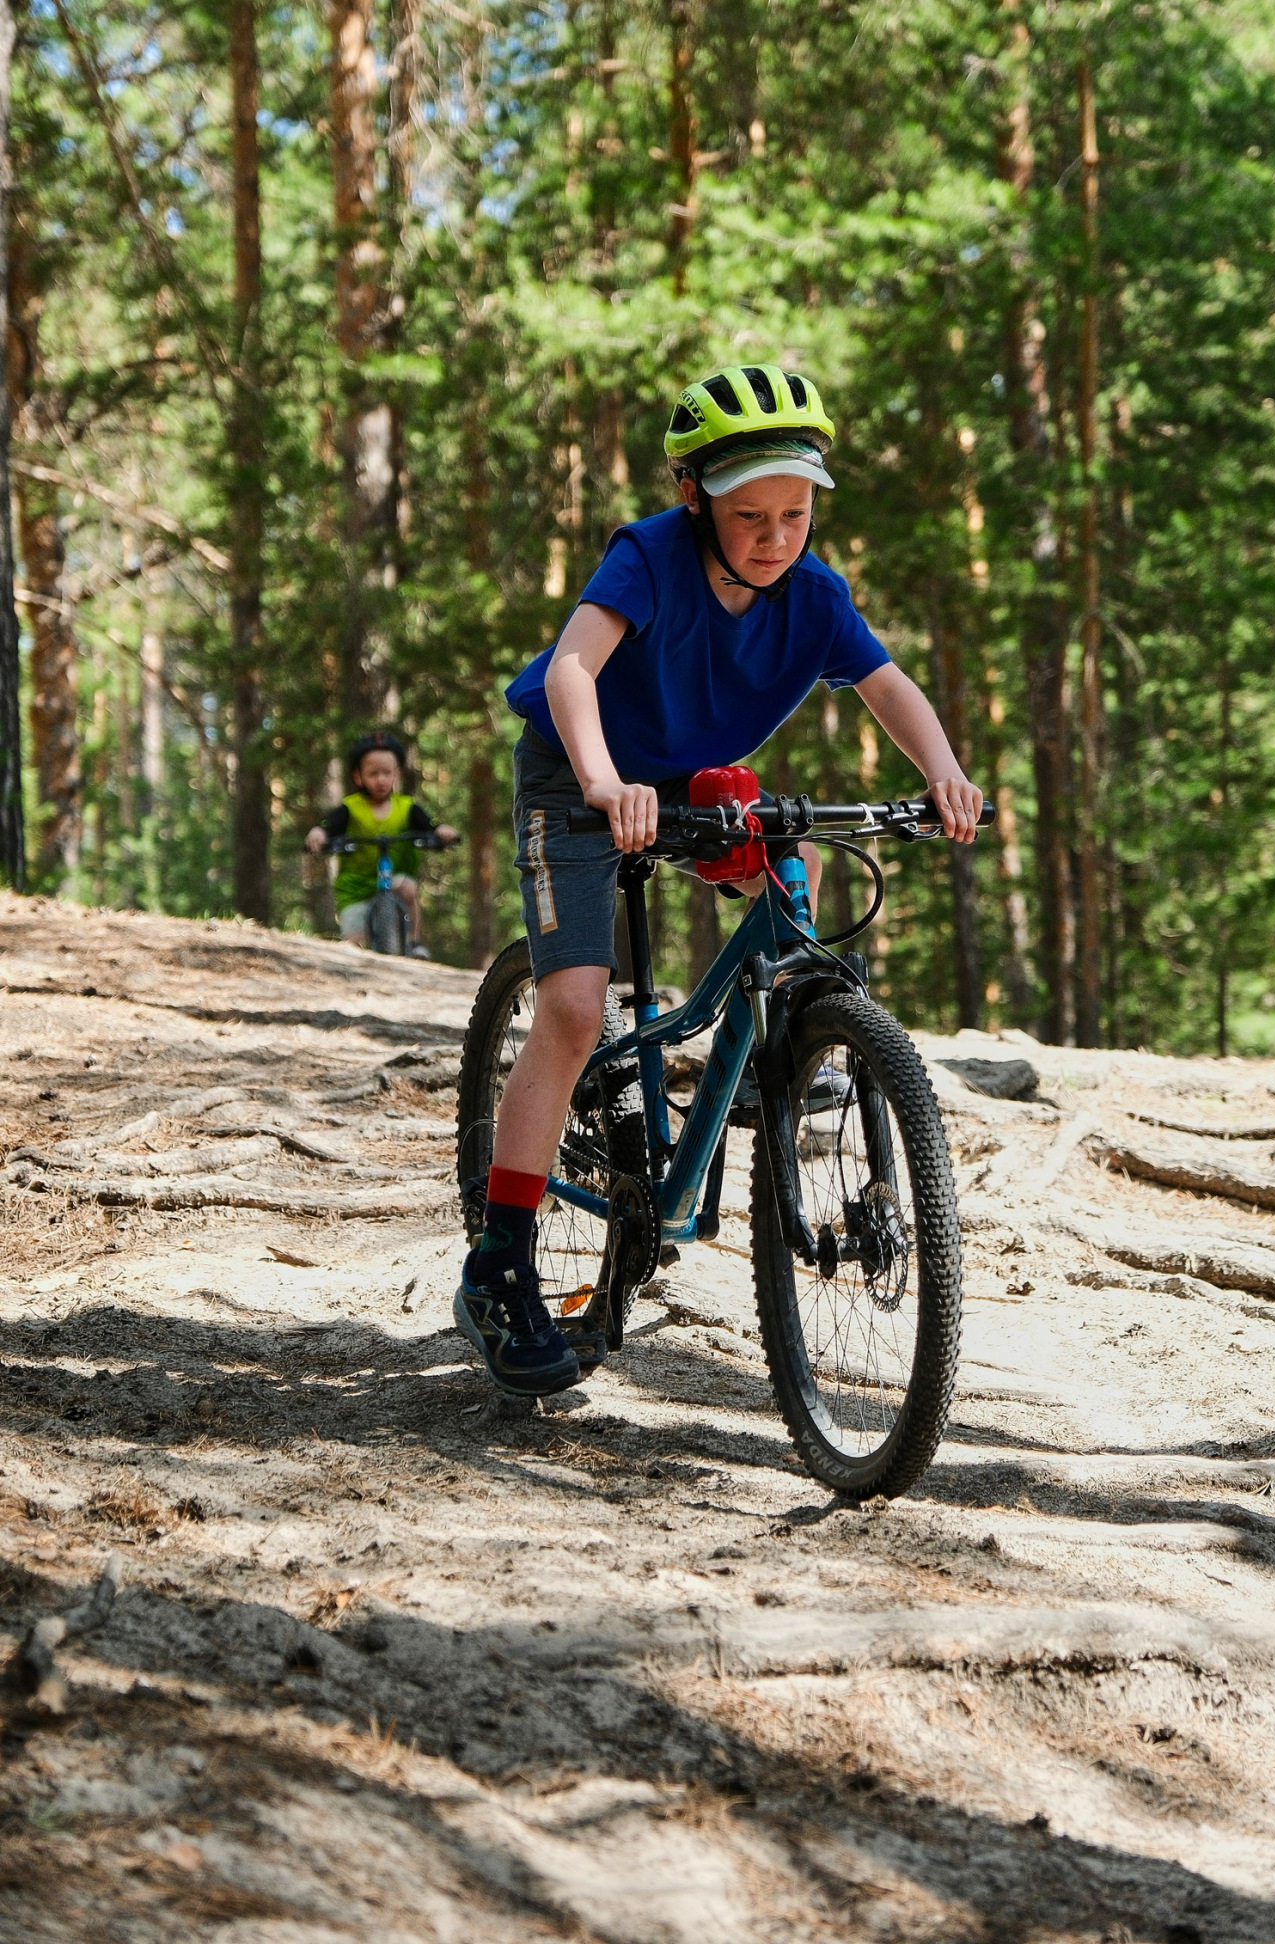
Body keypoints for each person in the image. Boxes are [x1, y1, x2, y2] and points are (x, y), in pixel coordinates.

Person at [455, 362, 985, 1398]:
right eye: (750, 516)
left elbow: (885, 684)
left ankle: (770, 1053)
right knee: (574, 1010)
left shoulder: (812, 594)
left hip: (688, 782)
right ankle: (500, 1265)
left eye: (795, 515)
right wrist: (602, 782)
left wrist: (943, 773)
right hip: (578, 774)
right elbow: (572, 669)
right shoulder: (649, 557)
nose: (775, 538)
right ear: (693, 497)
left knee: (791, 860)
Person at [305, 730, 458, 960]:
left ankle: (413, 942)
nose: (381, 780)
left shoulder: (406, 807)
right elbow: (329, 826)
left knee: (408, 888)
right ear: (358, 777)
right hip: (356, 889)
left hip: (392, 880)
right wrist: (318, 833)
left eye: (387, 773)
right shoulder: (351, 807)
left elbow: (429, 825)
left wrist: (440, 831)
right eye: (373, 773)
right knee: (353, 947)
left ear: (397, 774)